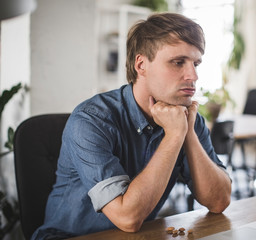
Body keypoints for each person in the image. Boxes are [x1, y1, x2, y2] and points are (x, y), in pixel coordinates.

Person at [32, 13, 232, 239]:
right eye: (178, 62)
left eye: (196, 63)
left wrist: (187, 133)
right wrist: (174, 135)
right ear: (141, 64)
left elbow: (219, 202)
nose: (193, 75)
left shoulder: (186, 117)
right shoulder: (91, 120)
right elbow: (128, 218)